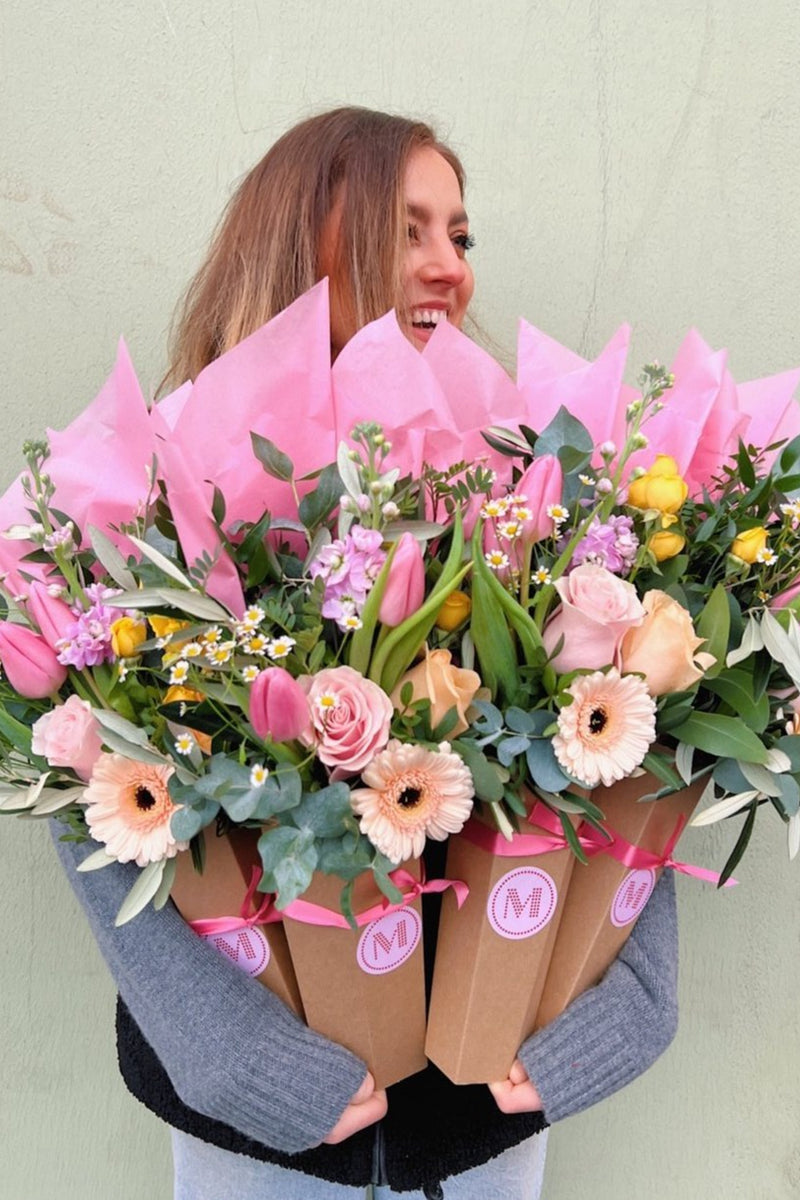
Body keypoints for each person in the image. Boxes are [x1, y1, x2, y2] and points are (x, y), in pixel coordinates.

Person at [53, 106, 681, 1200]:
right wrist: (227, 1055)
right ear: (306, 242)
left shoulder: (523, 481)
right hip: (255, 1130)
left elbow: (626, 730)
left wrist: (630, 1003)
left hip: (481, 1112)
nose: (449, 268)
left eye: (459, 236)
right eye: (409, 231)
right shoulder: (162, 487)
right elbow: (83, 784)